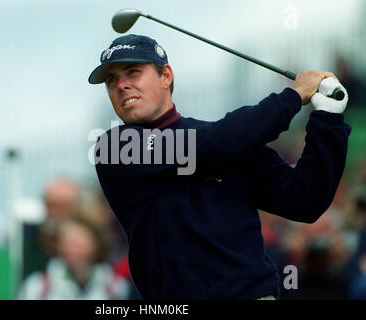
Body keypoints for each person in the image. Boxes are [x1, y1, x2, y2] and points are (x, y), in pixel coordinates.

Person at [88, 34, 351, 299]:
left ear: (166, 76)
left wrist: (327, 120)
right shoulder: (116, 147)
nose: (121, 85)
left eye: (133, 72)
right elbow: (206, 148)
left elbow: (303, 199)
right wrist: (292, 97)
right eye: (111, 80)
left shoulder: (226, 140)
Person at [19, 211, 130, 299]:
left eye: (78, 244)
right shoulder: (37, 286)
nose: (72, 250)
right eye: (67, 243)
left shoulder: (117, 288)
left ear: (96, 245)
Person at [22, 178, 80, 279]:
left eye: (63, 207)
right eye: (51, 205)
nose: (56, 213)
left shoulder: (86, 243)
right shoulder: (28, 238)